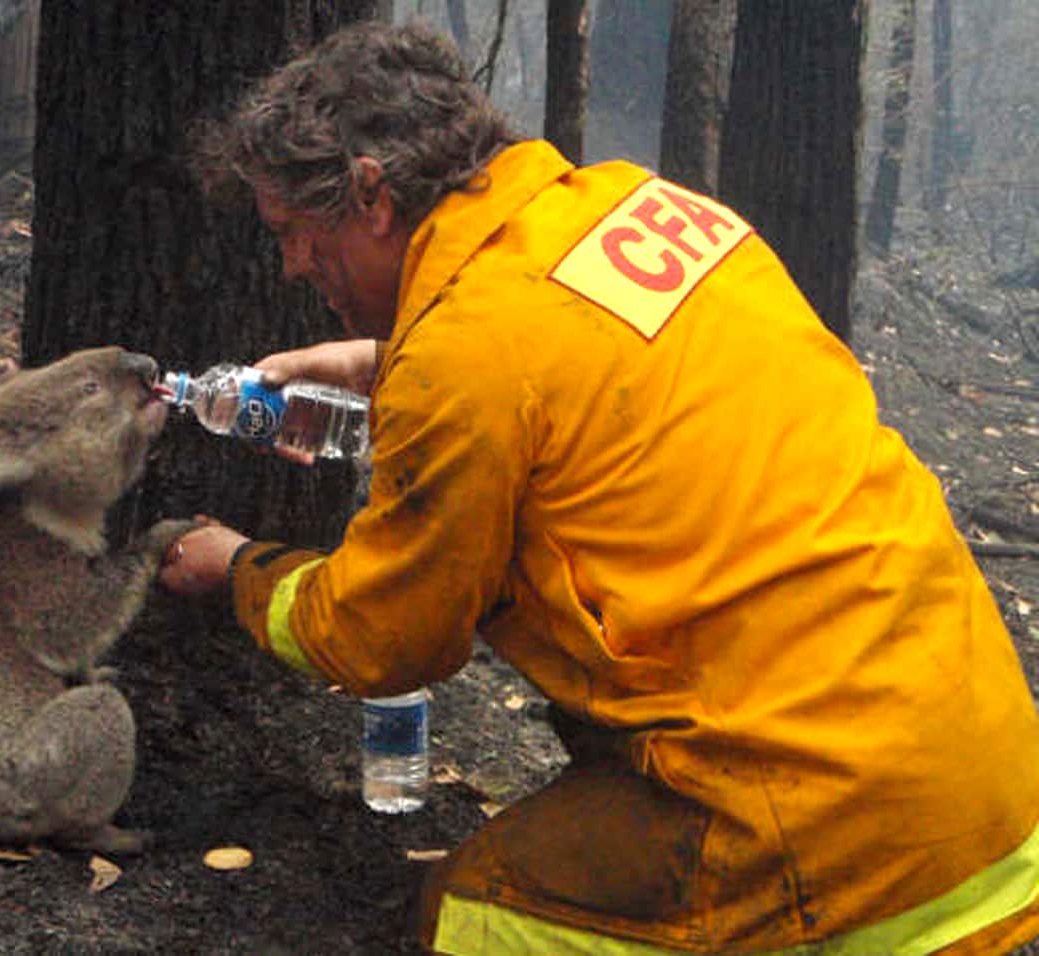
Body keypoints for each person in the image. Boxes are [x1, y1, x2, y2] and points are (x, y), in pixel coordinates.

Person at [160, 19, 1039, 955]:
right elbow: (577, 368)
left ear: (371, 195)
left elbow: (384, 637)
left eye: (294, 233)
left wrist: (240, 569)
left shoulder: (468, 359)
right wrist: (382, 363)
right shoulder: (638, 207)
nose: (294, 267)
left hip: (831, 826)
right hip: (987, 776)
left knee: (477, 917)